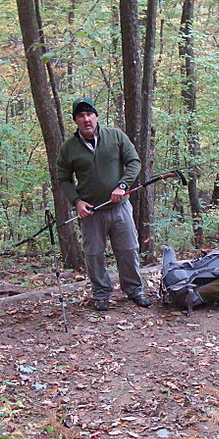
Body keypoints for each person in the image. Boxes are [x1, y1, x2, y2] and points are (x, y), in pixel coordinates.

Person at [56, 97, 151, 311]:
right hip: (91, 212)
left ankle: (134, 290)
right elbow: (63, 178)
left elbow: (134, 161)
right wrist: (77, 201)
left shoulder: (115, 136)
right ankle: (101, 293)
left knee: (128, 249)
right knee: (93, 253)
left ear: (96, 116)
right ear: (76, 120)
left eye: (89, 114)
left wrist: (123, 185)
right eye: (81, 115)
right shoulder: (68, 148)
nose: (86, 119)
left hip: (120, 207)